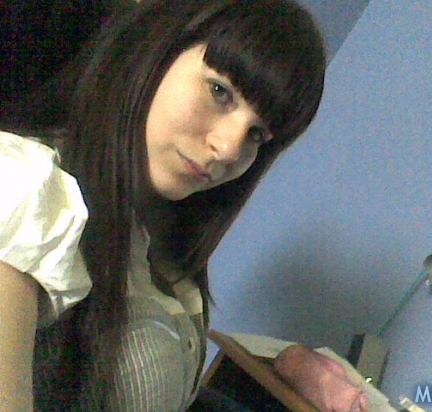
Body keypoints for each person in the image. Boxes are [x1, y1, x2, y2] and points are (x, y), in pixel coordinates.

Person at [0, 1, 365, 411]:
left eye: (257, 134)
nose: (229, 149)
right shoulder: (23, 188)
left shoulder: (166, 248)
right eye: (219, 92)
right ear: (156, 50)